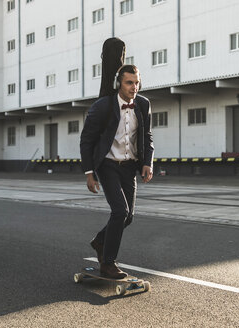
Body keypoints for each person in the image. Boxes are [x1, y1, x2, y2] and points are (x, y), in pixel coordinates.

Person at [80, 64, 154, 279]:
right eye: (129, 83)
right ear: (118, 84)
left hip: (130, 166)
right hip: (108, 165)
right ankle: (108, 263)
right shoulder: (102, 106)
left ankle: (100, 241)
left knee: (128, 217)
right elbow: (87, 140)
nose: (134, 87)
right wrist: (89, 173)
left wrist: (147, 162)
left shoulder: (143, 104)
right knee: (119, 211)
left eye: (137, 82)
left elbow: (147, 136)